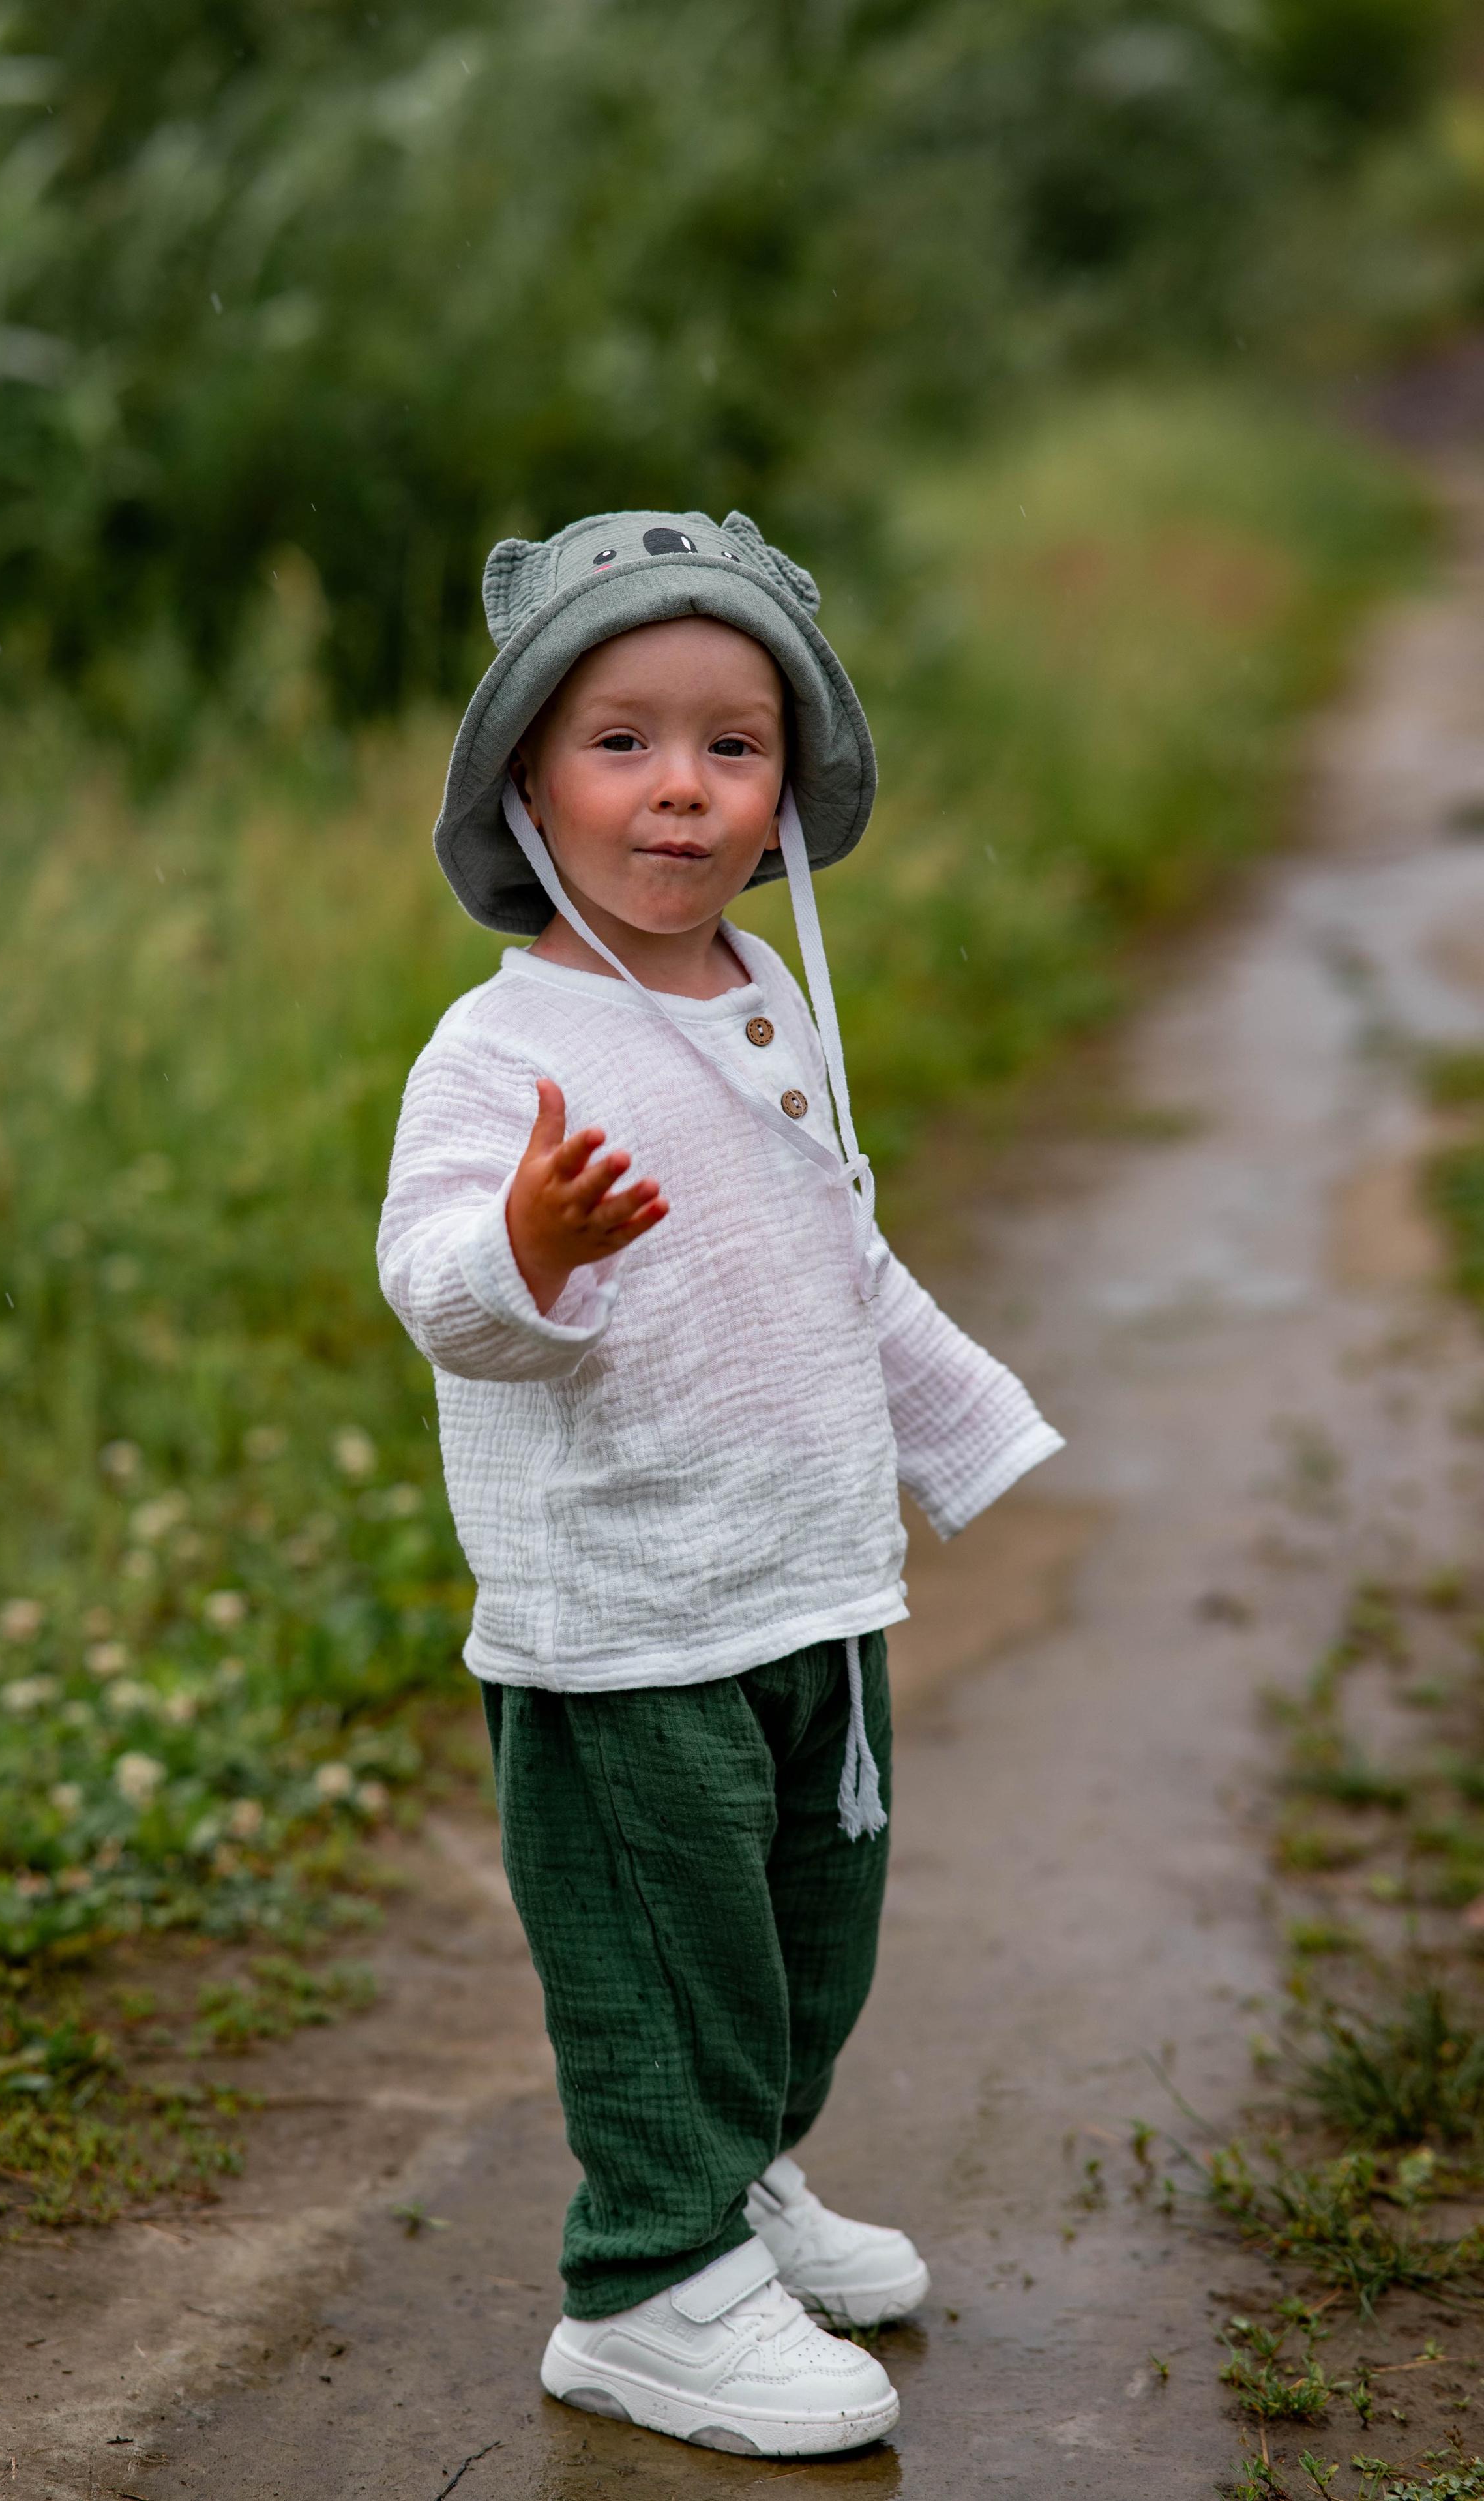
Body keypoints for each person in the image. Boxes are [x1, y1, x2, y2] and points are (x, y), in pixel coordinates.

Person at [377, 508, 1061, 2458]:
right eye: (623, 739)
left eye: (732, 744)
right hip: (628, 1617)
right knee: (665, 1949)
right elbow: (434, 1284)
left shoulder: (767, 1005)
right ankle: (646, 2286)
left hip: (804, 1587)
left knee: (800, 1933)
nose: (681, 787)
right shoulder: (500, 1048)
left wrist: (969, 1434)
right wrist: (528, 1241)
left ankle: (742, 2174)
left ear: (786, 793)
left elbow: (839, 1258)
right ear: (526, 780)